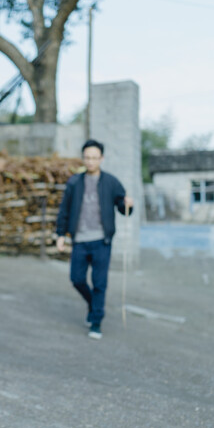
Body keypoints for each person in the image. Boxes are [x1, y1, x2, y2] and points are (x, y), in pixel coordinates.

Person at [55, 139, 134, 340]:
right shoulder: (74, 182)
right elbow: (64, 210)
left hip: (101, 241)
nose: (90, 161)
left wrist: (128, 204)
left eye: (94, 158)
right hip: (80, 240)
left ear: (101, 158)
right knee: (77, 279)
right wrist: (61, 235)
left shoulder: (111, 182)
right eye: (87, 157)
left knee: (100, 283)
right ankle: (93, 305)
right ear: (83, 158)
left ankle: (96, 321)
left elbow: (123, 208)